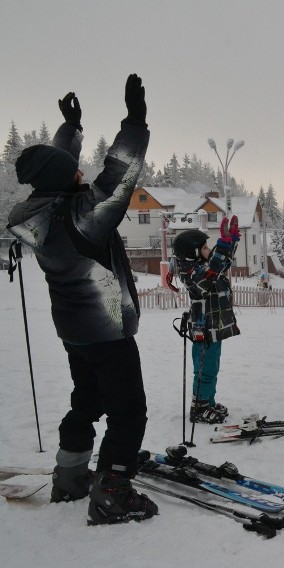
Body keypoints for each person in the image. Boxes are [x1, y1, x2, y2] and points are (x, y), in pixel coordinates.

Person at [6, 75, 158, 525]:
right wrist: (135, 122)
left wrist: (70, 129)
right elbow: (118, 175)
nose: (80, 172)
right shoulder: (84, 217)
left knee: (86, 402)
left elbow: (55, 170)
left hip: (75, 333)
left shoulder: (38, 214)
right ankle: (112, 490)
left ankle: (70, 477)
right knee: (128, 410)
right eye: (75, 169)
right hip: (107, 327)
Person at [170, 217, 241, 424]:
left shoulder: (207, 265)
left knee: (212, 367)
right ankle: (199, 408)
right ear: (192, 252)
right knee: (204, 370)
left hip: (214, 327)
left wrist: (231, 241)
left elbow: (222, 262)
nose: (209, 250)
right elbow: (210, 275)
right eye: (205, 247)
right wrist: (222, 245)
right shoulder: (190, 272)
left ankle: (208, 402)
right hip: (204, 328)